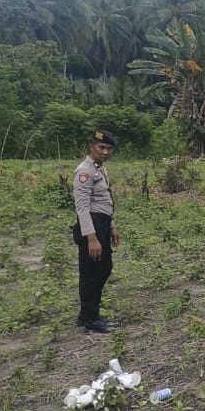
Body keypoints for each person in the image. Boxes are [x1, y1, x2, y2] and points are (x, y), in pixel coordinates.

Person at [72, 130, 122, 333]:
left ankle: (90, 314)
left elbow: (103, 201)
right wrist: (91, 238)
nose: (106, 152)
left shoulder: (100, 169)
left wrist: (111, 226)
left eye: (109, 149)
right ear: (91, 146)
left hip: (101, 223)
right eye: (101, 147)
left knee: (103, 268)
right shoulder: (84, 171)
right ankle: (89, 319)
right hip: (91, 226)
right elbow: (83, 207)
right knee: (92, 272)